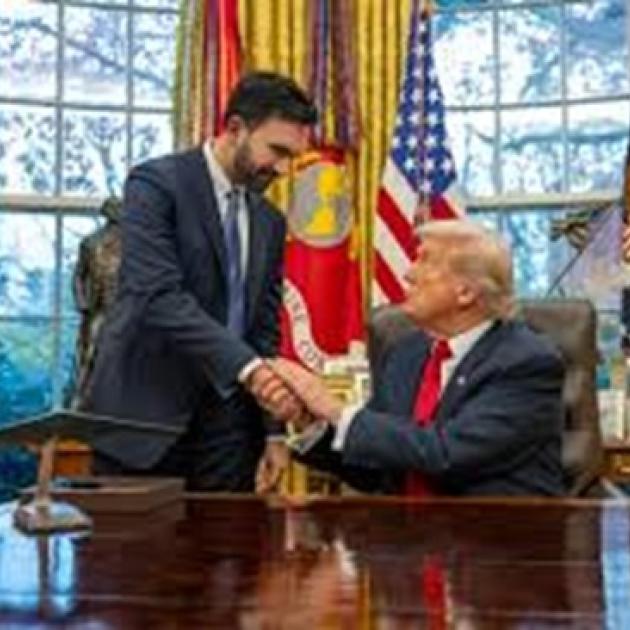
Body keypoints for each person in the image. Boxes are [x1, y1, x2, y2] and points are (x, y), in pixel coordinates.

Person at [82, 72, 317, 493]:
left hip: (230, 433)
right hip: (145, 419)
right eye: (277, 151)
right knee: (131, 537)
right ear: (236, 128)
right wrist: (249, 370)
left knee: (228, 536)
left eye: (292, 158)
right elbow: (158, 296)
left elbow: (264, 330)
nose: (283, 169)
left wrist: (274, 433)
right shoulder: (155, 185)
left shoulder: (269, 222)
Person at [272, 220, 566, 496]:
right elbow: (377, 467)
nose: (409, 274)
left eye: (425, 261)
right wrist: (311, 424)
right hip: (407, 529)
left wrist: (335, 409)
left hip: (493, 530)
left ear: (465, 292)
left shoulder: (526, 362)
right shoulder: (406, 354)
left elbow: (449, 453)